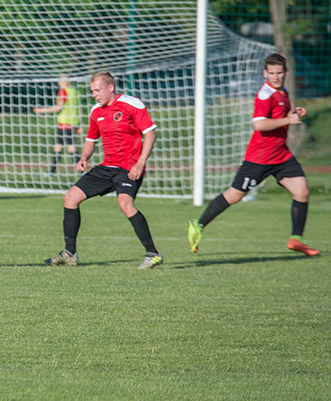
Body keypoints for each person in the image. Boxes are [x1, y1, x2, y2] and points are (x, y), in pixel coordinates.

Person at [187, 53, 320, 256]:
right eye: (271, 73)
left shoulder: (282, 91)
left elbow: (280, 116)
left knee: (301, 191)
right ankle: (199, 224)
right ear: (265, 73)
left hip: (281, 155)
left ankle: (296, 239)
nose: (275, 77)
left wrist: (295, 114)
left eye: (279, 73)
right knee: (234, 195)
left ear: (286, 72)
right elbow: (259, 124)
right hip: (259, 158)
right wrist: (288, 121)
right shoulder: (264, 95)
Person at [46, 71, 163, 270]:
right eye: (92, 91)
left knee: (125, 204)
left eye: (97, 90)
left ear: (110, 87)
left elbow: (150, 134)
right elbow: (90, 141)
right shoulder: (96, 111)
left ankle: (152, 253)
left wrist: (140, 163)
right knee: (70, 198)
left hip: (129, 167)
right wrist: (84, 157)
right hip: (107, 167)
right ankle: (70, 253)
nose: (94, 95)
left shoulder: (131, 104)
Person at [33, 74, 83, 174]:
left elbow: (58, 107)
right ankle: (52, 172)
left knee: (67, 147)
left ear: (64, 81)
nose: (58, 82)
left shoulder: (63, 92)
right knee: (61, 146)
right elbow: (79, 109)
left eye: (59, 80)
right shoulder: (74, 91)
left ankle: (79, 170)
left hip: (64, 123)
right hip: (73, 123)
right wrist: (79, 125)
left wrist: (41, 110)